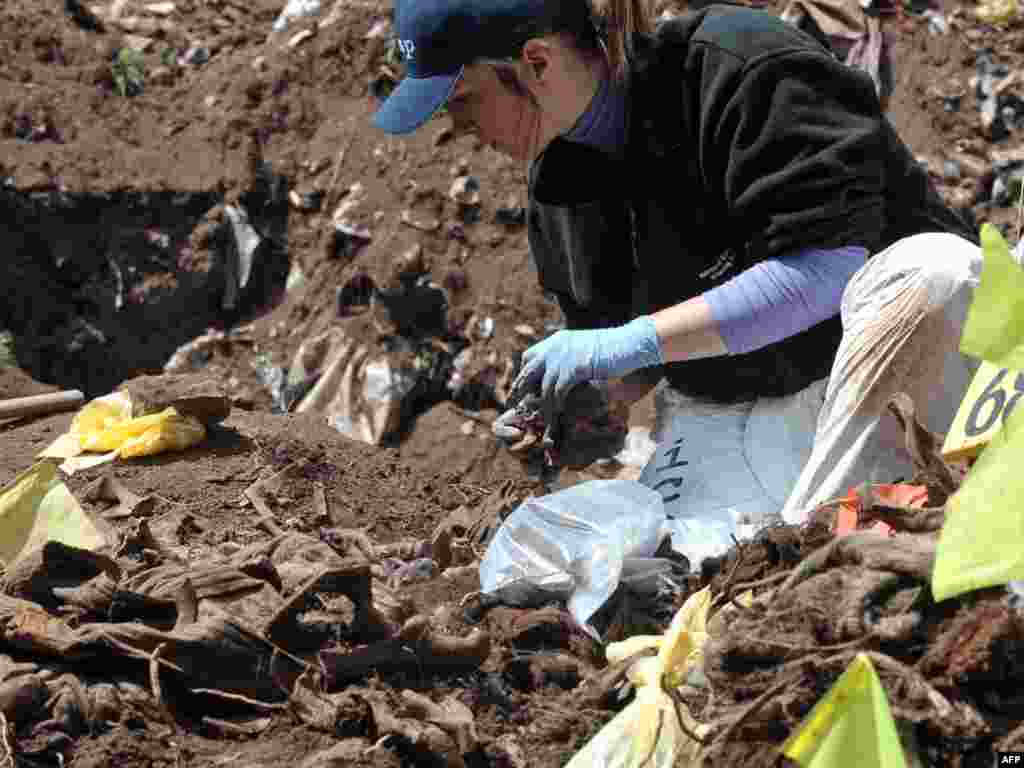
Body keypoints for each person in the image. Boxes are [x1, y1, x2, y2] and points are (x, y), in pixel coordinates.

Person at [373, 0, 982, 528]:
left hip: (909, 384)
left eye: (462, 100)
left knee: (935, 274)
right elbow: (635, 356)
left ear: (535, 62)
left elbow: (825, 272)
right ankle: (816, 535)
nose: (458, 128)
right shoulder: (561, 189)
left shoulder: (738, 71)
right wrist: (589, 406)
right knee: (653, 572)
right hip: (765, 414)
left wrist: (622, 345)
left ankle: (836, 530)